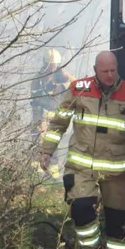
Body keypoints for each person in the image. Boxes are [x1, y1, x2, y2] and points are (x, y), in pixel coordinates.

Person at [40, 51, 125, 249]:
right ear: (95, 71)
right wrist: (47, 151)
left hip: (116, 172)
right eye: (105, 71)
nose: (110, 75)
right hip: (81, 167)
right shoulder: (79, 89)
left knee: (118, 224)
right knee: (81, 210)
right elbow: (58, 123)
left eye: (113, 70)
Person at [29, 49, 74, 179]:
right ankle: (37, 170)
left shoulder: (64, 76)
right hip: (41, 113)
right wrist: (37, 120)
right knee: (37, 139)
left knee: (54, 141)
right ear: (45, 63)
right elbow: (35, 99)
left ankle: (53, 171)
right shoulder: (38, 79)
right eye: (49, 64)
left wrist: (62, 85)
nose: (51, 67)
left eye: (53, 65)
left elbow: (75, 87)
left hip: (56, 115)